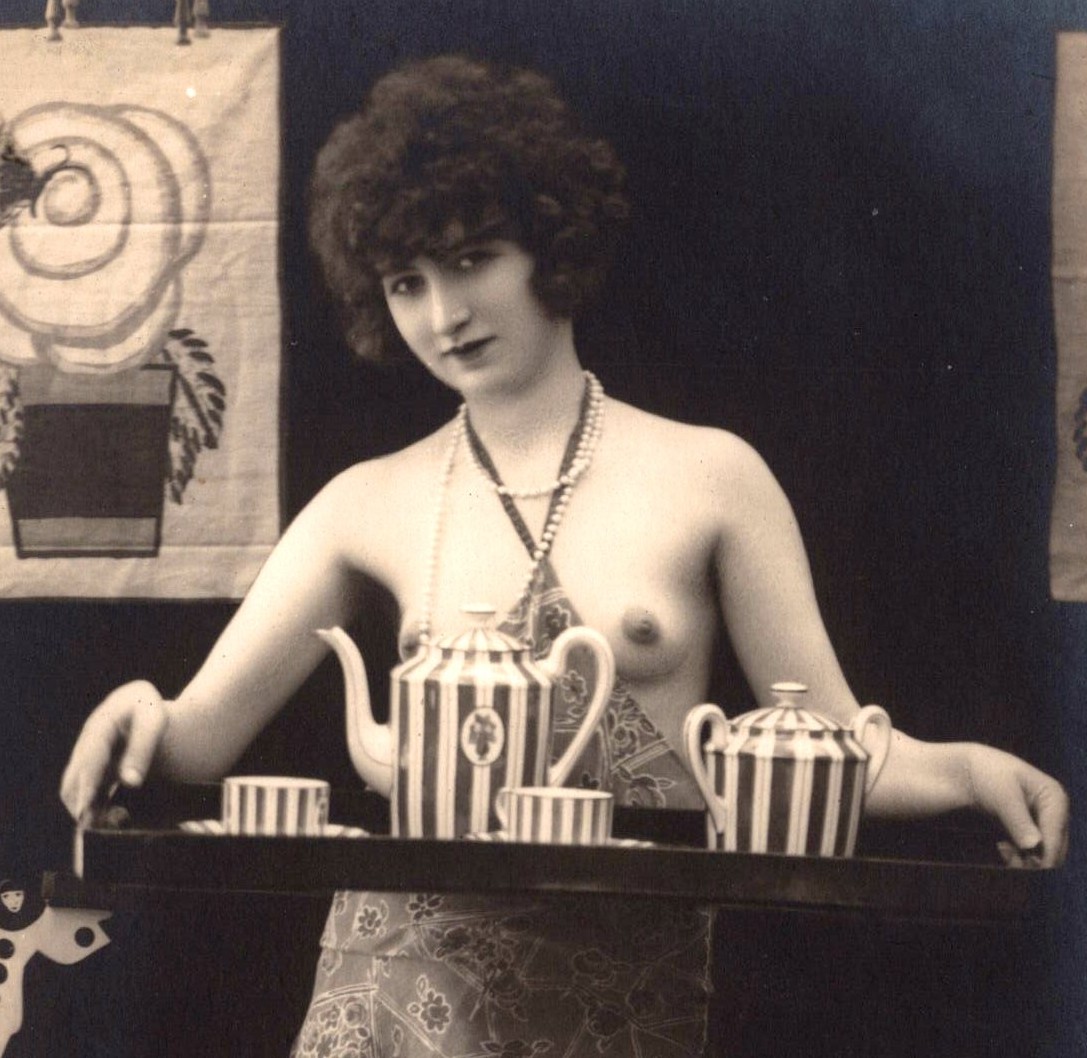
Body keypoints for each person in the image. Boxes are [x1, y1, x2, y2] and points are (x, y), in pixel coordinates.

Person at [60, 54, 1068, 1056]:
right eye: (406, 282)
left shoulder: (713, 476)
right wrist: (140, 711)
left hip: (623, 991)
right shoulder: (363, 502)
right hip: (394, 1000)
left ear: (551, 243)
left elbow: (829, 744)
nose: (443, 315)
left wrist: (966, 769)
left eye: (471, 260)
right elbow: (196, 739)